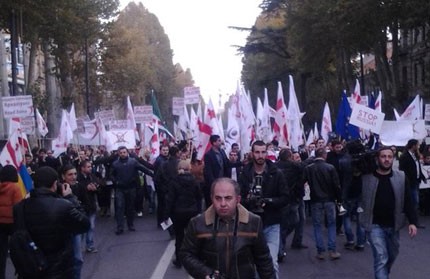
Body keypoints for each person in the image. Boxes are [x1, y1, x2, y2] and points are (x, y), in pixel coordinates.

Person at [180, 178, 275, 279]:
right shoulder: (197, 223)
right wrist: (207, 273)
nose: (223, 204)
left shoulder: (253, 222)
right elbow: (186, 254)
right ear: (212, 198)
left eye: (228, 198)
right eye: (218, 198)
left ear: (237, 199)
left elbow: (263, 260)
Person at [13, 166, 89, 279]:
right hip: (58, 267)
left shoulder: (19, 207)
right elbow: (84, 224)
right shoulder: (63, 205)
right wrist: (70, 197)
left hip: (31, 264)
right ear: (54, 184)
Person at [360, 147, 418, 279]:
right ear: (377, 158)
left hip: (393, 225)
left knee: (391, 256)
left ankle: (384, 273)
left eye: (389, 157)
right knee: (381, 257)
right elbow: (350, 190)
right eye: (383, 156)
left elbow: (408, 200)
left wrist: (413, 222)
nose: (387, 159)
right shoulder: (366, 177)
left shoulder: (401, 177)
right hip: (374, 225)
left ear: (393, 159)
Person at [239, 140, 288, 278]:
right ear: (252, 153)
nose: (260, 155)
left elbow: (285, 197)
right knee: (252, 265)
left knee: (271, 263)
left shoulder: (276, 173)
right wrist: (248, 200)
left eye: (263, 152)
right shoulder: (245, 173)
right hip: (250, 224)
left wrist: (269, 201)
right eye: (257, 152)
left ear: (266, 153)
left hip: (271, 223)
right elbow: (238, 198)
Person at [303, 147, 342, 260]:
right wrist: (339, 199)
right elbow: (336, 185)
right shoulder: (330, 168)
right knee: (331, 224)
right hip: (329, 200)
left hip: (315, 200)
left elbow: (303, 182)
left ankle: (320, 251)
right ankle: (332, 250)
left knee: (317, 225)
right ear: (325, 155)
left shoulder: (309, 168)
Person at [164, 160, 202, 268]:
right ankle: (195, 257)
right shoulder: (194, 181)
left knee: (179, 237)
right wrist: (199, 211)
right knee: (193, 236)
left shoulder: (174, 181)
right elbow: (199, 197)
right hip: (192, 211)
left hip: (178, 212)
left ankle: (179, 259)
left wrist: (166, 214)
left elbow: (170, 199)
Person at [111, 146, 153, 235]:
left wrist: (153, 174)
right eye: (121, 152)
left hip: (131, 188)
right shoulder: (115, 164)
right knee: (119, 207)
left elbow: (143, 168)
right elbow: (111, 175)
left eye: (124, 152)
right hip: (120, 189)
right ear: (118, 153)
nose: (122, 154)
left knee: (130, 207)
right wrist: (116, 182)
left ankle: (130, 225)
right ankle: (120, 227)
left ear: (127, 153)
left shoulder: (133, 162)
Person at [276, 148, 307, 263]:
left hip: (284, 199)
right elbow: (303, 171)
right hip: (291, 198)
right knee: (293, 221)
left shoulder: (275, 166)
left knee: (287, 223)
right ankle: (280, 248)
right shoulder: (295, 166)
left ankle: (280, 245)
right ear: (289, 157)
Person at [203, 135, 241, 208]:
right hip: (214, 183)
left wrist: (240, 163)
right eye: (219, 141)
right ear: (214, 143)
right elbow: (208, 172)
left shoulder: (222, 152)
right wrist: (213, 183)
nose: (221, 142)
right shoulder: (208, 155)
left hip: (223, 181)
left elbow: (227, 164)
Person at [0, 165, 24, 279]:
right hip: (13, 223)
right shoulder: (15, 188)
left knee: (1, 253)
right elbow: (18, 208)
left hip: (0, 223)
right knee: (18, 252)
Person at [399, 139, 426, 228]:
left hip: (416, 181)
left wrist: (422, 176)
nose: (418, 147)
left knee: (413, 202)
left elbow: (418, 168)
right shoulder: (405, 156)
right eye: (417, 145)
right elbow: (402, 170)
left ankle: (411, 219)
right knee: (414, 201)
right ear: (413, 146)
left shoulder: (415, 156)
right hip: (410, 183)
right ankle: (413, 221)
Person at [76, 160, 101, 253]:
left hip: (91, 205)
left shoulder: (91, 176)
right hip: (82, 206)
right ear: (82, 168)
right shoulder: (77, 177)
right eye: (88, 167)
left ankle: (89, 245)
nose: (90, 168)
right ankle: (78, 247)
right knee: (81, 229)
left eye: (91, 166)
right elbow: (76, 190)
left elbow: (98, 186)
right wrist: (86, 188)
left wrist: (95, 188)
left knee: (91, 226)